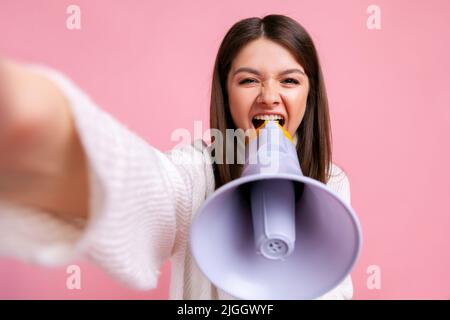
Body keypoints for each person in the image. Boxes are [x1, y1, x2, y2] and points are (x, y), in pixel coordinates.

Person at [0, 14, 354, 299]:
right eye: (248, 81)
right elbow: (150, 190)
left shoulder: (332, 182)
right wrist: (47, 126)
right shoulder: (195, 171)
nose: (269, 96)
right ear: (225, 93)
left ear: (311, 94)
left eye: (289, 81)